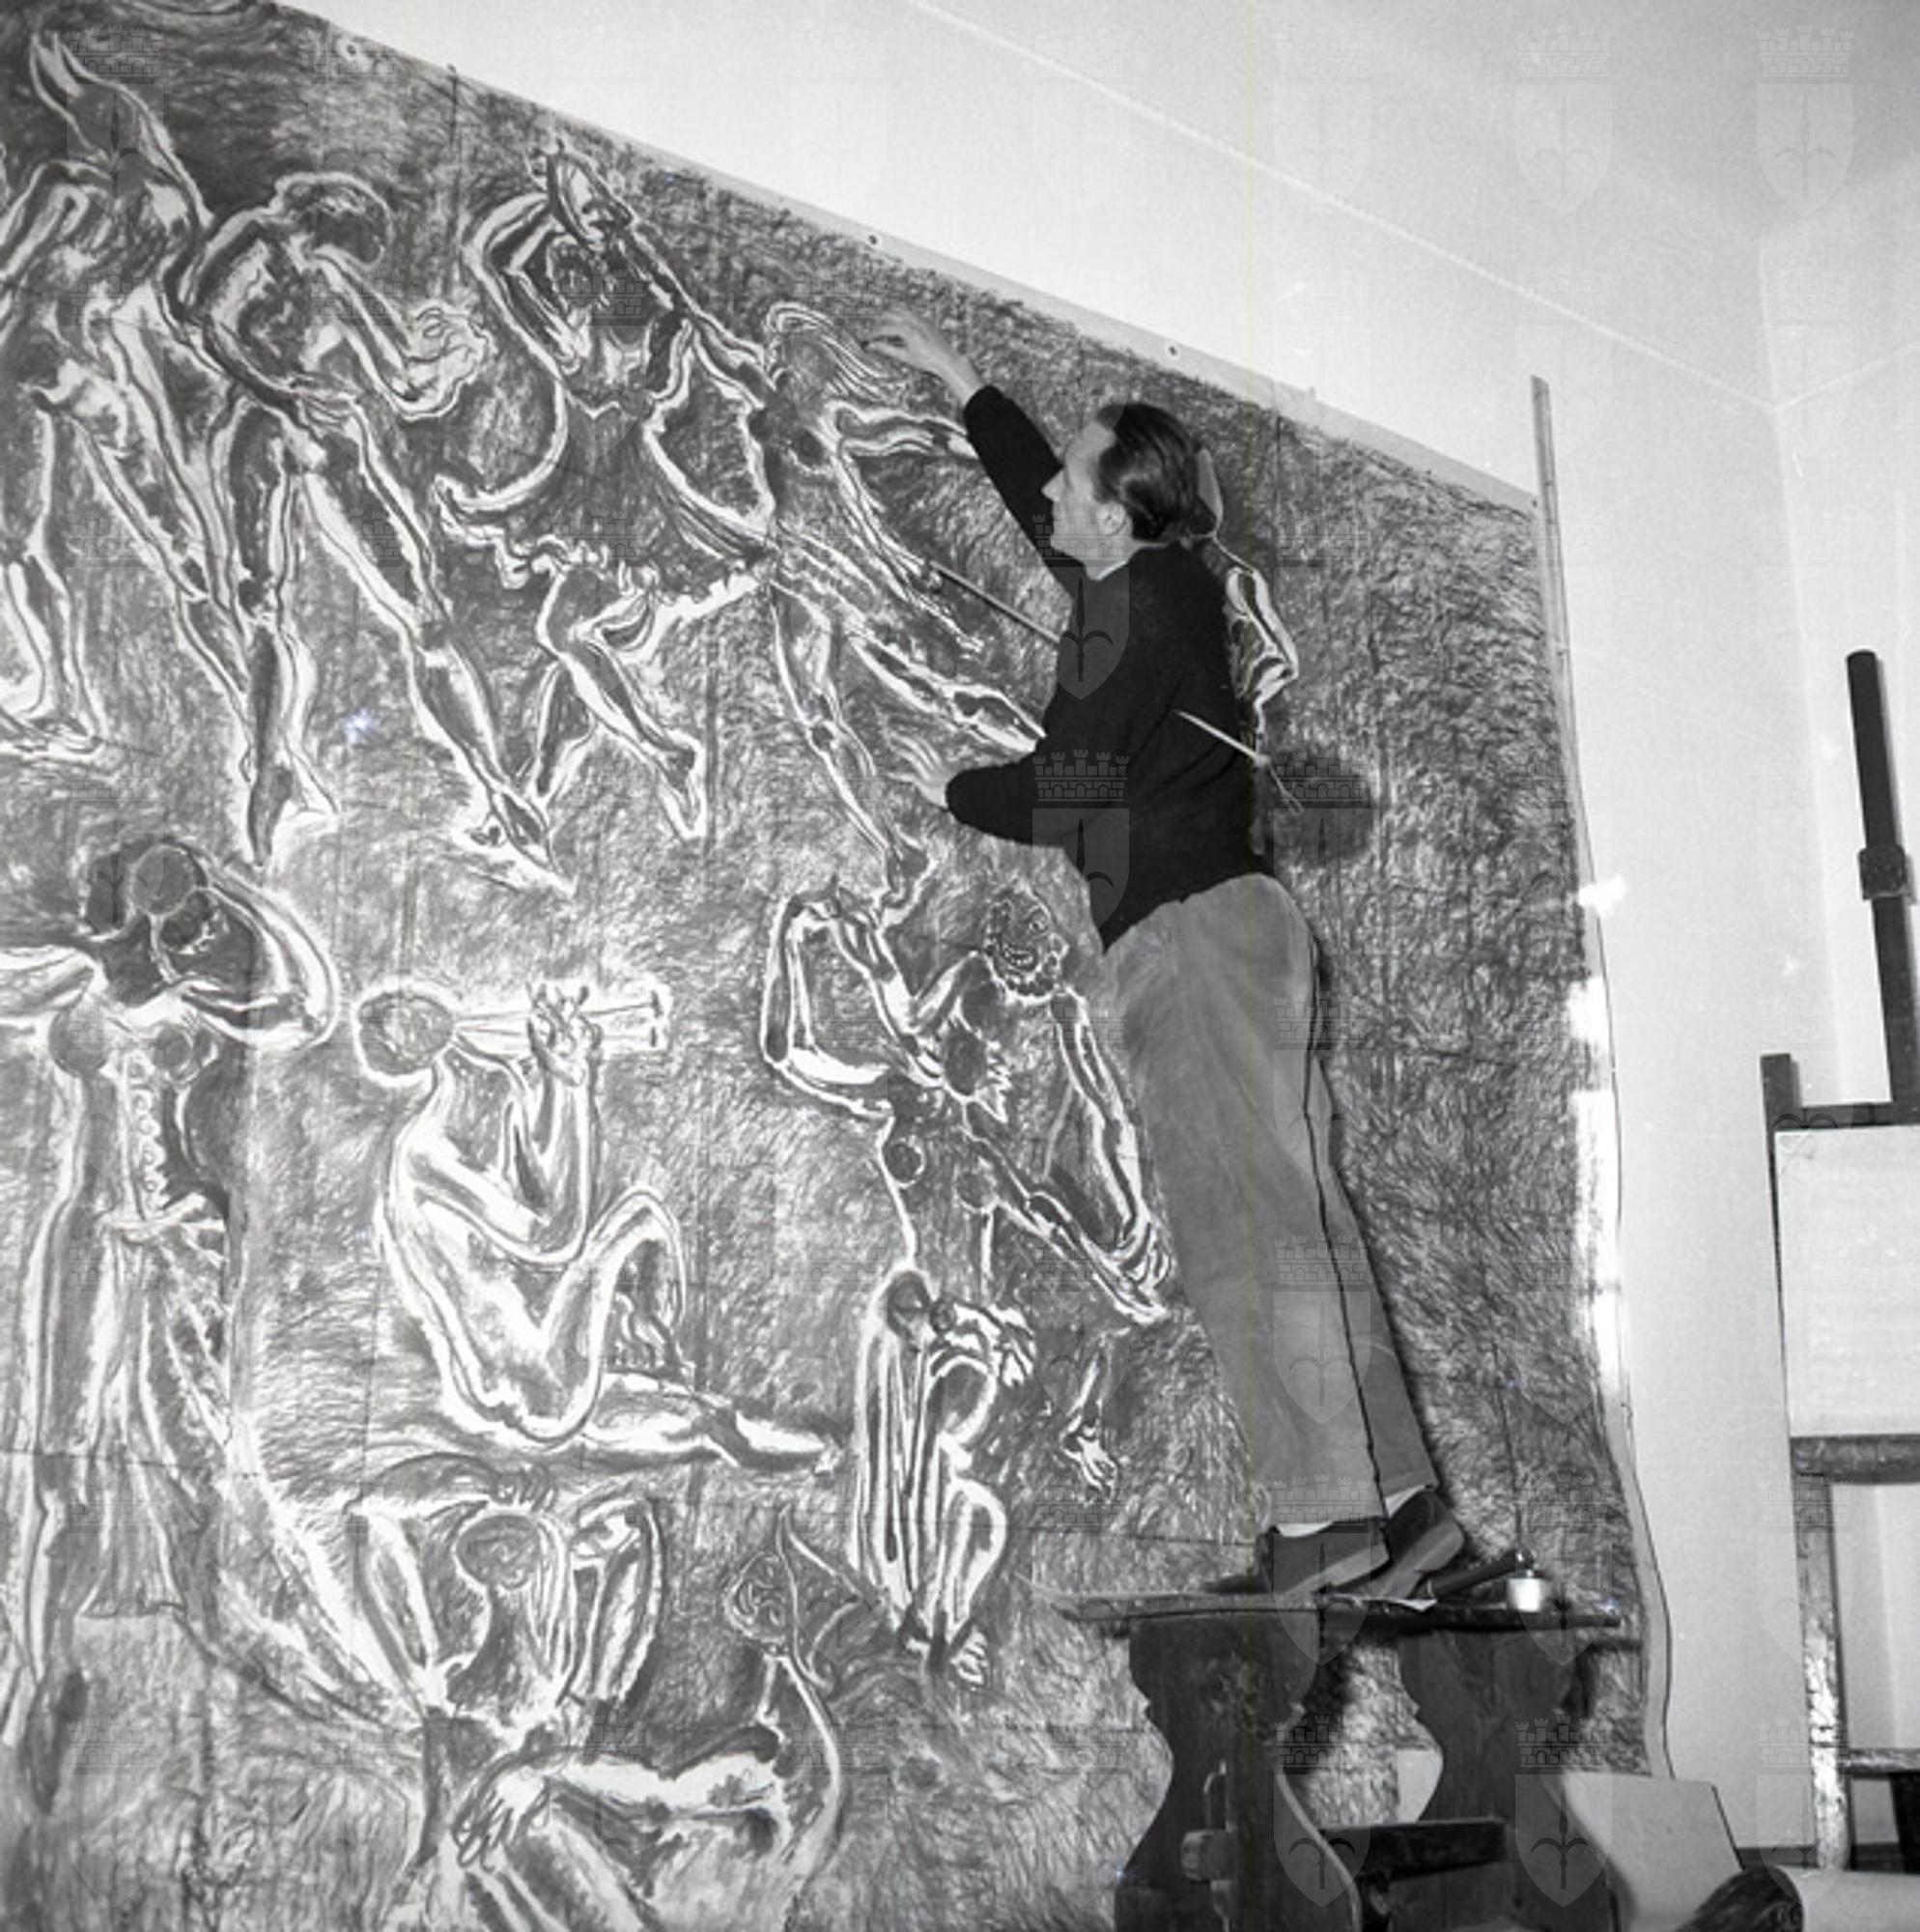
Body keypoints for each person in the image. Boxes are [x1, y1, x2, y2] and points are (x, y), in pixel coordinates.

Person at [864, 308, 1464, 1600]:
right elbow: (1046, 513)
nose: (1052, 492)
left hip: (1187, 937)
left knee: (1244, 1223)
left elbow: (1062, 793)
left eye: (1072, 478)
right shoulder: (1157, 581)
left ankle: (1326, 1519)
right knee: (1300, 1216)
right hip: (1243, 926)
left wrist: (949, 781)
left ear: (1118, 515)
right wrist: (968, 386)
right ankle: (1402, 1510)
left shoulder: (1128, 609)